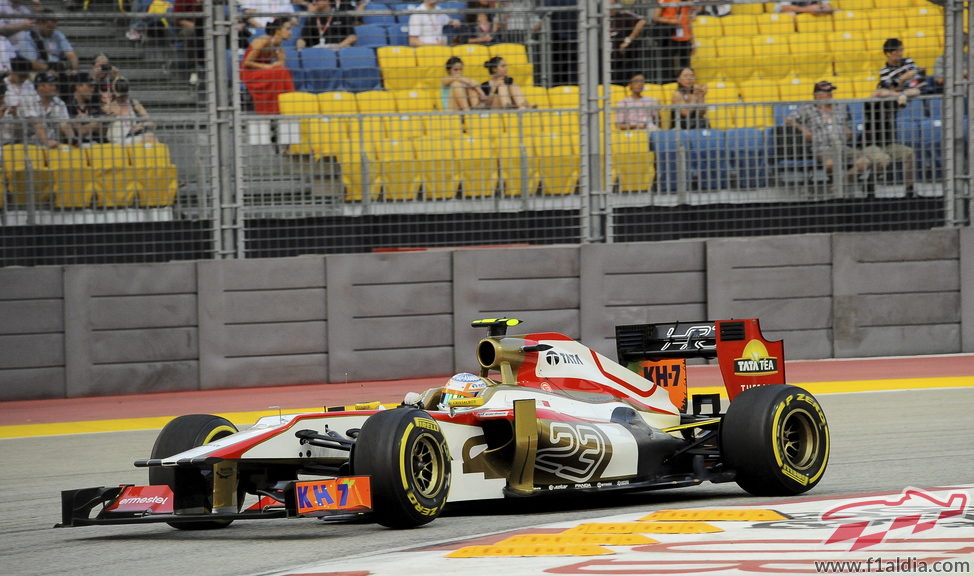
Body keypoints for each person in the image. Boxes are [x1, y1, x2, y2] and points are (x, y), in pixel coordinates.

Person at [862, 38, 919, 197]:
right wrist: (901, 83)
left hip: (887, 143)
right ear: (888, 54)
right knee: (884, 159)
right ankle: (870, 186)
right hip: (871, 143)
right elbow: (882, 91)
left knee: (909, 153)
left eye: (901, 50)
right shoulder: (873, 103)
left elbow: (915, 77)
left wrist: (899, 93)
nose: (900, 54)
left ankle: (909, 190)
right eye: (896, 51)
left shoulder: (894, 102)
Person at [785, 81, 870, 183]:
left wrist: (847, 130)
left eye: (830, 93)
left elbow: (846, 125)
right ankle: (839, 185)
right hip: (822, 147)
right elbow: (788, 120)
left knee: (865, 162)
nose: (830, 96)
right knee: (830, 164)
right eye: (827, 93)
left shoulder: (839, 108)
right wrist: (803, 129)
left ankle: (844, 181)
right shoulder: (808, 109)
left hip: (842, 146)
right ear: (817, 95)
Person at [240, 16, 296, 115]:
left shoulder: (278, 45)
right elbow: (247, 63)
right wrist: (268, 67)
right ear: (278, 30)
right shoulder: (262, 41)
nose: (290, 32)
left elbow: (281, 63)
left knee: (282, 71)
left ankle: (287, 107)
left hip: (264, 72)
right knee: (279, 72)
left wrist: (278, 58)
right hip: (249, 73)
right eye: (287, 29)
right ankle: (275, 110)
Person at [14, 9, 79, 83]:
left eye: (53, 27)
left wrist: (74, 70)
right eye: (49, 27)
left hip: (57, 68)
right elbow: (32, 62)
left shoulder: (57, 35)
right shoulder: (27, 37)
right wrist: (49, 70)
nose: (52, 30)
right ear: (39, 23)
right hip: (36, 70)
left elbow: (71, 54)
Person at [104, 76, 157, 145]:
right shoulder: (110, 106)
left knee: (151, 137)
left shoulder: (134, 103)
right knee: (150, 138)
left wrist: (142, 124)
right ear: (115, 94)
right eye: (120, 96)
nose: (123, 99)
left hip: (131, 136)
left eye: (125, 96)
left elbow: (152, 122)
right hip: (117, 140)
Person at [651, 0, 694, 84]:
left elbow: (689, 20)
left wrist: (693, 42)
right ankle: (668, 87)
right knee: (667, 67)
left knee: (686, 67)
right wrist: (671, 21)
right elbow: (655, 17)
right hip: (669, 36)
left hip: (685, 38)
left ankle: (685, 87)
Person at [32, 71, 74, 148]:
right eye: (51, 85)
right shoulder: (30, 101)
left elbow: (64, 124)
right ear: (40, 86)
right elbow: (37, 125)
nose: (54, 87)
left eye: (55, 85)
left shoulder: (59, 102)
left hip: (53, 145)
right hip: (30, 146)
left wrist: (74, 141)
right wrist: (46, 143)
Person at [609, 3, 646, 85]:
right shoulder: (600, 18)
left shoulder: (624, 16)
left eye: (612, 3)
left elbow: (642, 21)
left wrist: (628, 40)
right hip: (607, 59)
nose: (610, 6)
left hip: (624, 58)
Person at [66, 72, 105, 145]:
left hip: (94, 145)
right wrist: (95, 122)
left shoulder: (94, 104)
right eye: (90, 86)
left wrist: (83, 123)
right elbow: (81, 131)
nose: (92, 89)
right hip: (75, 147)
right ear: (78, 86)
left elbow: (101, 129)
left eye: (93, 86)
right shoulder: (68, 106)